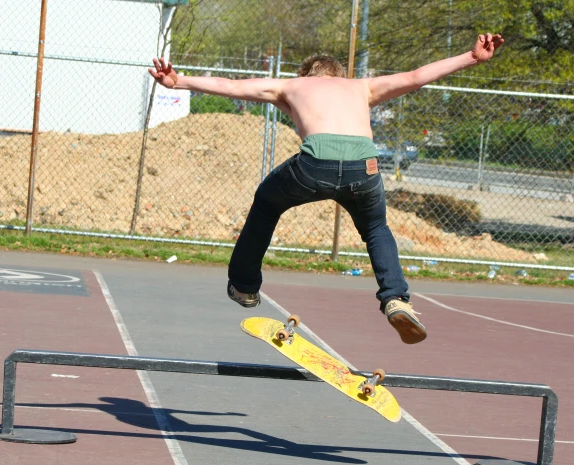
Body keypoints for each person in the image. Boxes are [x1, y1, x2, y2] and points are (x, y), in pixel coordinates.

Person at [149, 33, 505, 345]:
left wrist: (179, 81)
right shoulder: (361, 87)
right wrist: (472, 57)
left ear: (306, 76)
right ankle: (396, 299)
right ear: (339, 76)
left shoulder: (290, 86)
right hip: (364, 168)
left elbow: (232, 85)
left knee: (267, 202)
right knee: (377, 229)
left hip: (313, 166)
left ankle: (244, 286)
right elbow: (416, 77)